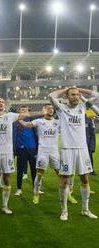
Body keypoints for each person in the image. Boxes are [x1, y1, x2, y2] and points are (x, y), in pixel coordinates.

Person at [49, 87, 98, 221]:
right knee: (65, 181)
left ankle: (85, 209)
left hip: (82, 149)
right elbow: (51, 95)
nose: (75, 97)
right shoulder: (61, 108)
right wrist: (65, 89)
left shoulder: (83, 106)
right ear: (67, 96)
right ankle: (64, 211)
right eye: (72, 94)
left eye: (77, 95)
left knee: (85, 179)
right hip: (67, 150)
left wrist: (80, 90)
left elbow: (97, 95)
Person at [18, 103, 60, 204]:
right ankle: (36, 194)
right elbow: (25, 124)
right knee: (40, 174)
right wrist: (19, 118)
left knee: (61, 174)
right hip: (43, 151)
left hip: (54, 151)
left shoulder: (58, 122)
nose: (51, 110)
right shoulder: (39, 121)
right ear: (44, 110)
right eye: (48, 108)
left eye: (52, 108)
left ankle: (67, 194)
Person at [13, 105, 38, 196]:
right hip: (21, 149)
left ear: (28, 111)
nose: (24, 111)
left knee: (34, 170)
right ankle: (19, 189)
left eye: (25, 110)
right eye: (22, 110)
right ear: (19, 111)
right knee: (20, 170)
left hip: (32, 148)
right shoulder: (15, 122)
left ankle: (35, 188)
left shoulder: (33, 121)